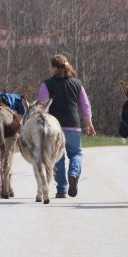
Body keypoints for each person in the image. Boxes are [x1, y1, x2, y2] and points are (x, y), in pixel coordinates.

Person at [38, 54, 96, 198]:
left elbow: (43, 108)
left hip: (54, 127)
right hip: (73, 125)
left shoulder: (46, 84)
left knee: (57, 158)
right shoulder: (77, 83)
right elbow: (85, 105)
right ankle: (74, 174)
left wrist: (42, 128)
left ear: (55, 68)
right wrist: (89, 123)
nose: (49, 69)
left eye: (50, 66)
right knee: (76, 153)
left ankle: (62, 189)